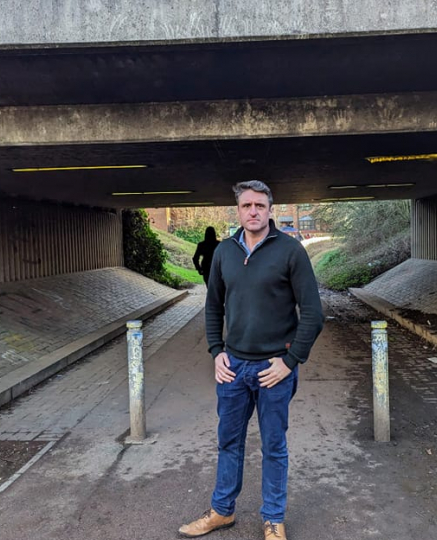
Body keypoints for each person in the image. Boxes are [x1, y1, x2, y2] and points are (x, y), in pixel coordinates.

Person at [179, 180, 324, 540]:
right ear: (238, 211)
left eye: (260, 205)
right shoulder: (225, 252)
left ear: (271, 209)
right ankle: (222, 511)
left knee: (274, 446)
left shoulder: (291, 251)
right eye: (247, 206)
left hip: (273, 370)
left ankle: (273, 519)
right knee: (229, 442)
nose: (254, 211)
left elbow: (313, 313)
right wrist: (216, 352)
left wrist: (290, 361)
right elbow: (213, 305)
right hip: (232, 369)